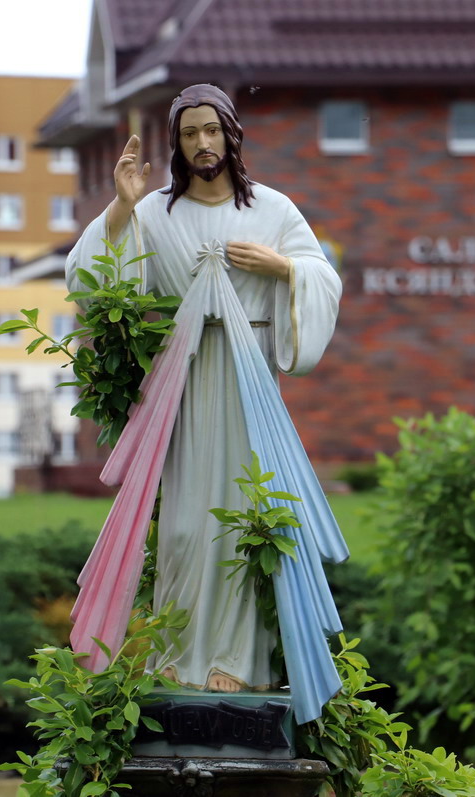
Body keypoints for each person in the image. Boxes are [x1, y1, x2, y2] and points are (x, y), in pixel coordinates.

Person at [65, 84, 346, 713]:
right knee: (187, 526)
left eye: (212, 130)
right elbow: (89, 275)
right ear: (177, 142)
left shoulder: (273, 209)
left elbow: (322, 277)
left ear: (231, 135)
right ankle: (177, 653)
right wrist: (120, 207)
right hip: (184, 381)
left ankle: (239, 662)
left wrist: (283, 268)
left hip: (248, 380)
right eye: (190, 133)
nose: (202, 143)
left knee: (246, 515)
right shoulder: (154, 211)